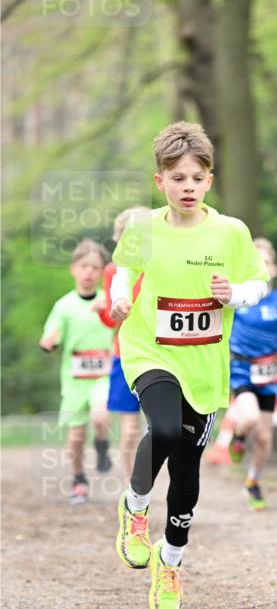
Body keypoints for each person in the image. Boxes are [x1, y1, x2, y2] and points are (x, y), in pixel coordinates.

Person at [110, 121, 270, 609]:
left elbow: (257, 283)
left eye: (196, 179)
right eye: (177, 178)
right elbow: (125, 275)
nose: (187, 188)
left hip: (204, 366)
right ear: (160, 181)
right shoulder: (143, 229)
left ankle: (171, 558)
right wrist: (118, 299)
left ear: (210, 181)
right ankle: (136, 507)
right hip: (151, 353)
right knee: (160, 427)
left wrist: (236, 295)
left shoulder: (231, 232)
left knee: (187, 470)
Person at [223, 237, 277, 510]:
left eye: (266, 262)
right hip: (241, 369)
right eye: (256, 262)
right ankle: (238, 436)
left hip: (269, 372)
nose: (262, 266)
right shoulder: (238, 296)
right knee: (249, 417)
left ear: (274, 269)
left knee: (265, 437)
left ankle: (253, 482)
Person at [39, 239, 114, 504]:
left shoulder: (109, 301)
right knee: (75, 435)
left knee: (100, 416)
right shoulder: (64, 306)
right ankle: (79, 479)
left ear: (102, 271)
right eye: (84, 266)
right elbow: (51, 335)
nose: (89, 273)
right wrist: (49, 343)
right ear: (73, 269)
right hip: (73, 380)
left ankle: (102, 444)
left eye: (95, 267)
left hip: (103, 376)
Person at [94, 206, 150, 483]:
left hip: (160, 354)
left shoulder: (160, 266)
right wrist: (102, 310)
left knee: (163, 428)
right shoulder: (113, 271)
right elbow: (110, 319)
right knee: (129, 430)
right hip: (124, 355)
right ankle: (132, 487)